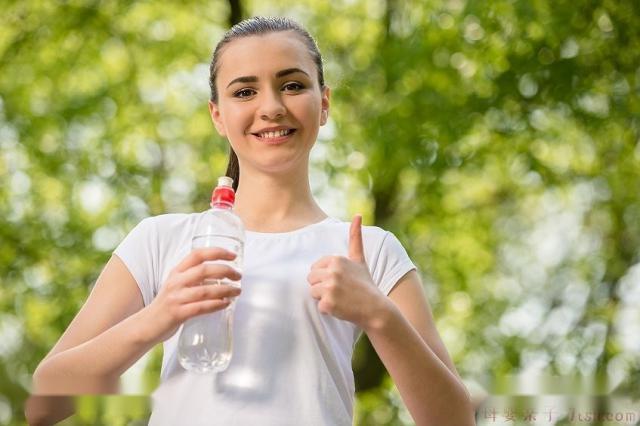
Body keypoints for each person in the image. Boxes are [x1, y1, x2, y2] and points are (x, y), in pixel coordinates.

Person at [27, 16, 474, 426]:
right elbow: (44, 404)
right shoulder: (161, 240)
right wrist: (159, 316)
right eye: (244, 91)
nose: (272, 107)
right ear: (217, 115)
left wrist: (380, 315)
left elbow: (455, 420)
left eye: (293, 85)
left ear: (325, 103)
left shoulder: (369, 250)